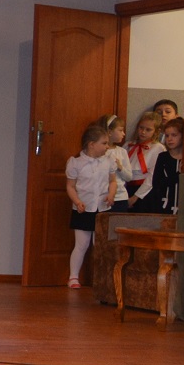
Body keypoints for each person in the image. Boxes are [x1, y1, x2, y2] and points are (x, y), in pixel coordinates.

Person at [64, 121, 120, 288]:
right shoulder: (76, 163)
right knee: (81, 245)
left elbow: (113, 181)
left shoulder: (108, 161)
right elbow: (70, 186)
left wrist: (111, 194)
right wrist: (77, 201)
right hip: (83, 209)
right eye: (104, 143)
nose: (107, 147)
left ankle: (101, 278)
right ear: (91, 144)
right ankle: (73, 277)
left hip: (102, 208)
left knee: (101, 245)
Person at [134, 116, 183, 213]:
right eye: (167, 136)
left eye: (174, 135)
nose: (170, 139)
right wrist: (178, 175)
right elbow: (157, 183)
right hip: (164, 204)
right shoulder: (163, 157)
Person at [124, 111, 164, 203]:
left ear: (156, 131)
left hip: (145, 192)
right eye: (141, 128)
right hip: (126, 188)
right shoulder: (129, 145)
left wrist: (136, 196)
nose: (143, 132)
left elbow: (152, 176)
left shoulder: (157, 148)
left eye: (148, 130)